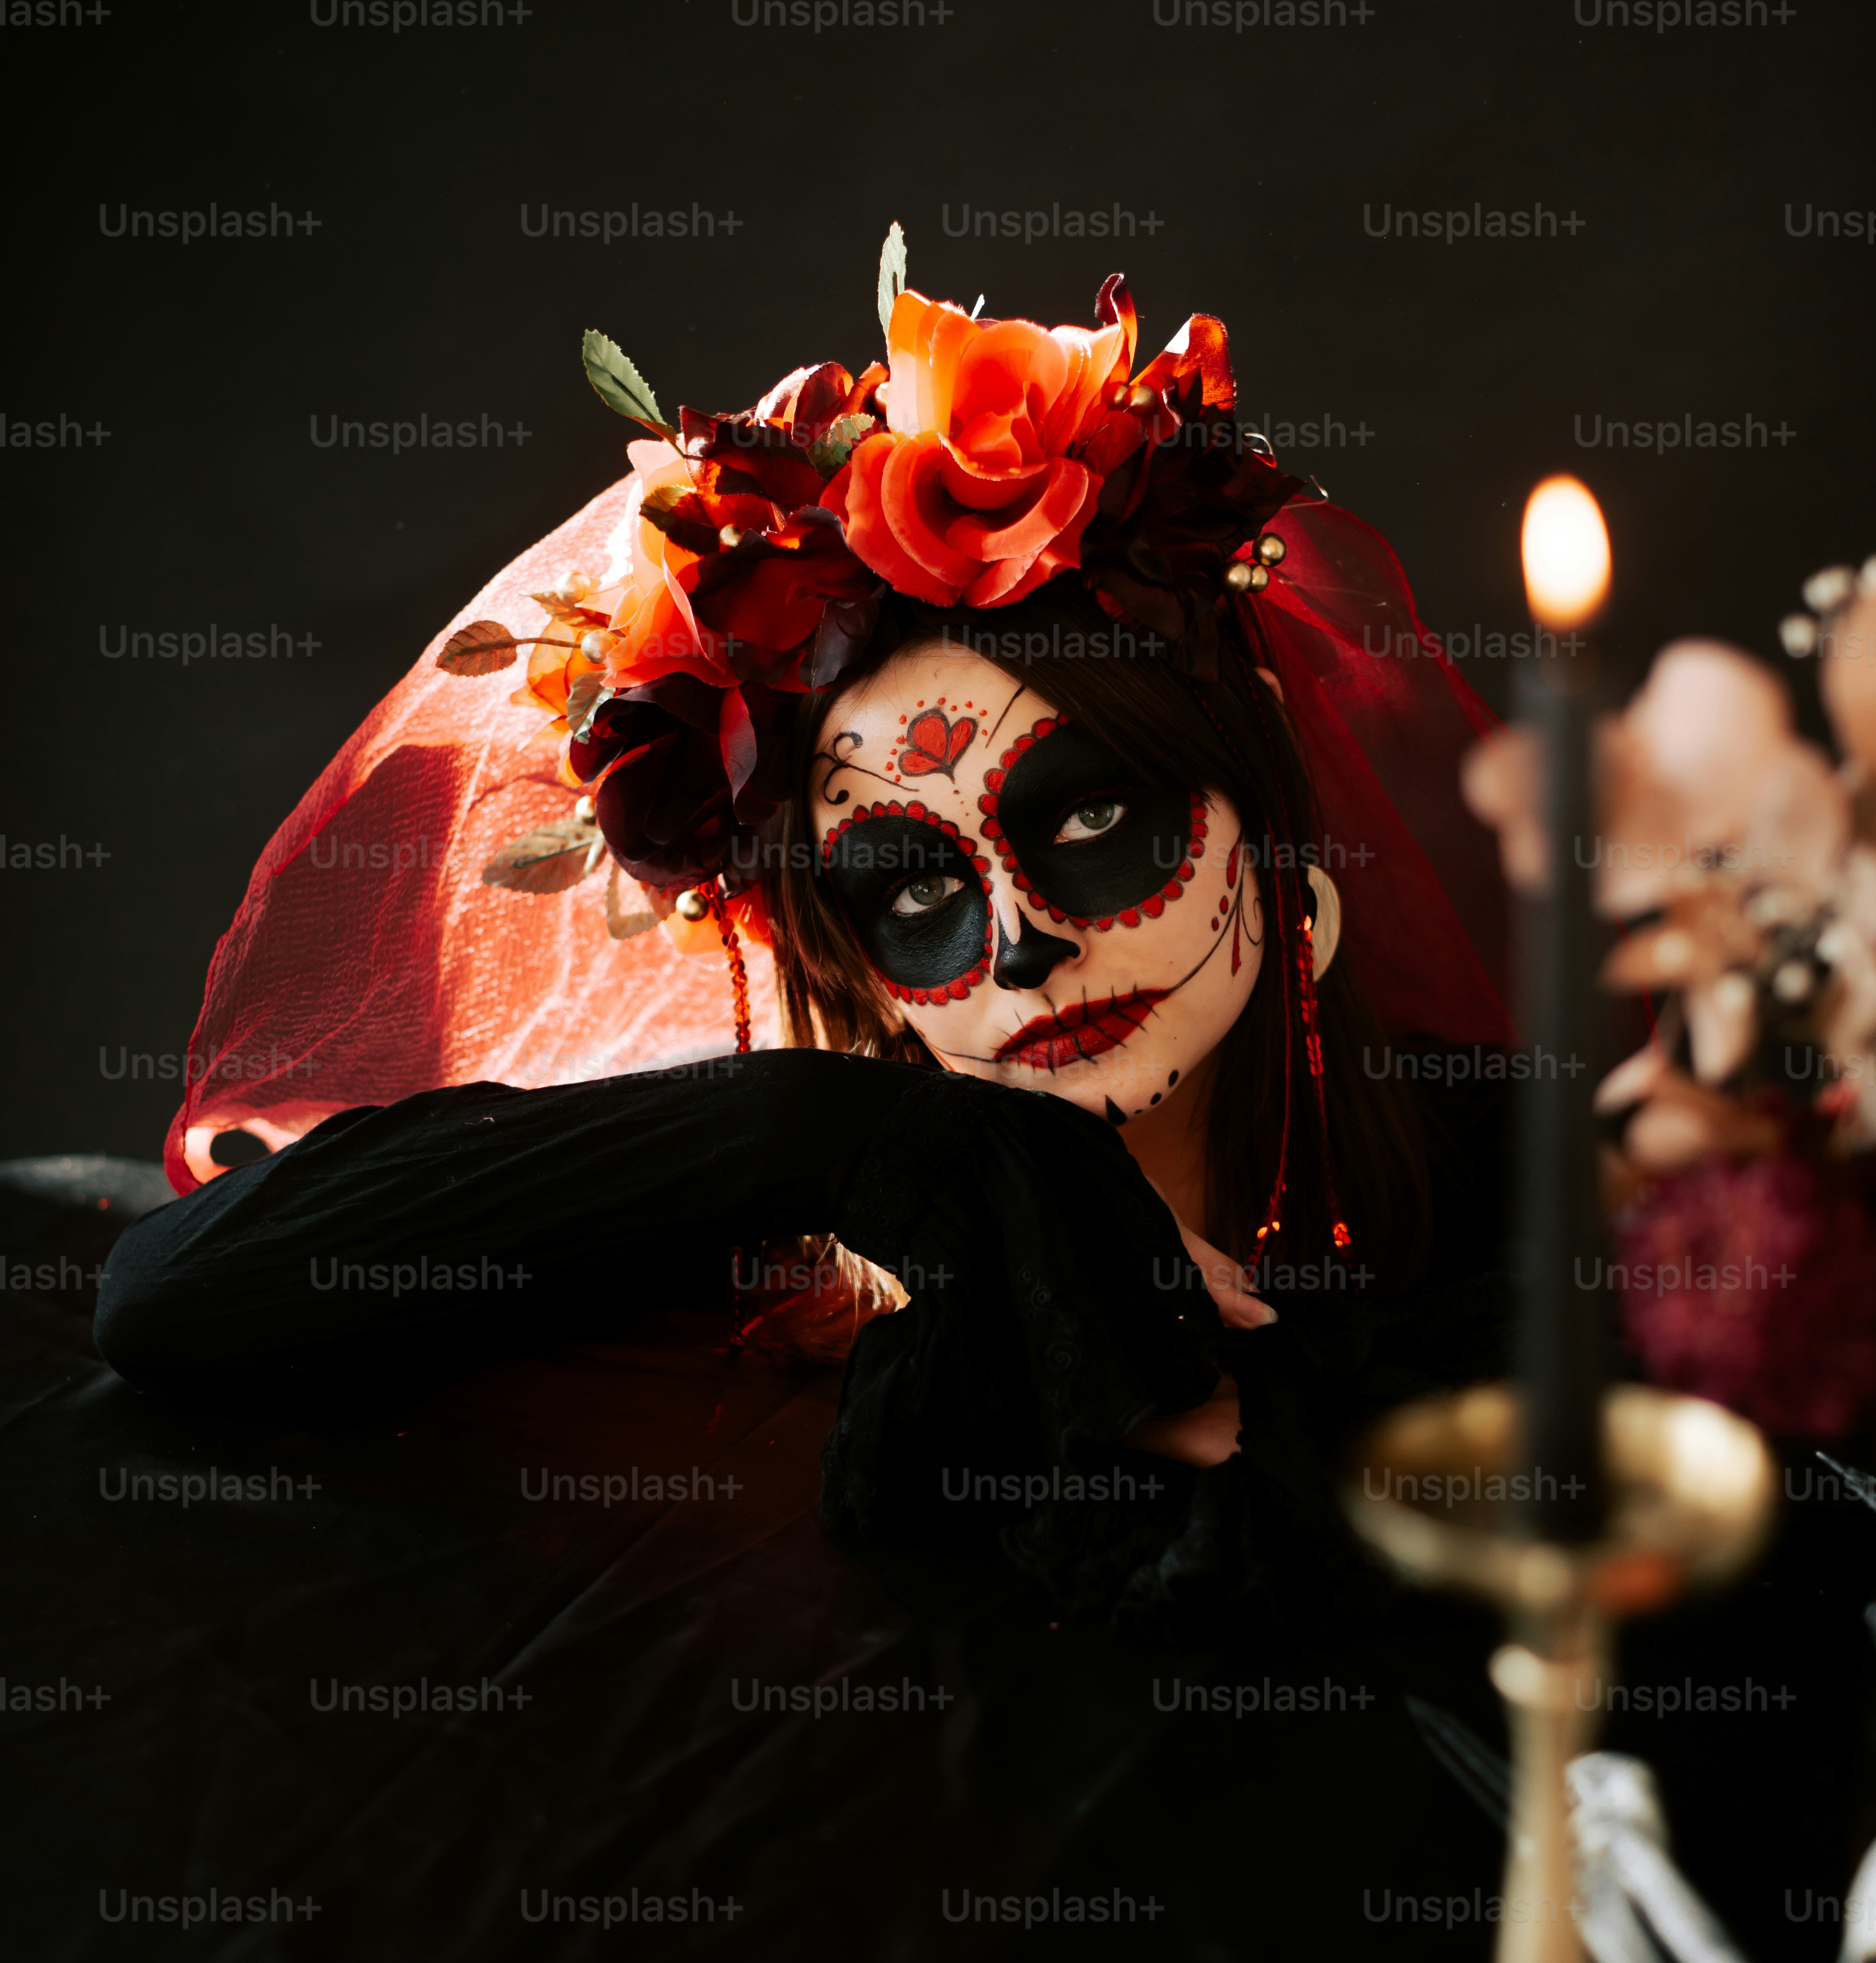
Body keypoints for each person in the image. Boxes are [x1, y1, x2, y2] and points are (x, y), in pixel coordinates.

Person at [94, 250, 1513, 1586]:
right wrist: (839, 1136)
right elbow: (175, 1299)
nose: (1021, 943)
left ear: (1270, 833)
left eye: (1090, 823)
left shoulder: (1510, 1192)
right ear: (851, 962)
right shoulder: (777, 1244)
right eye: (913, 888)